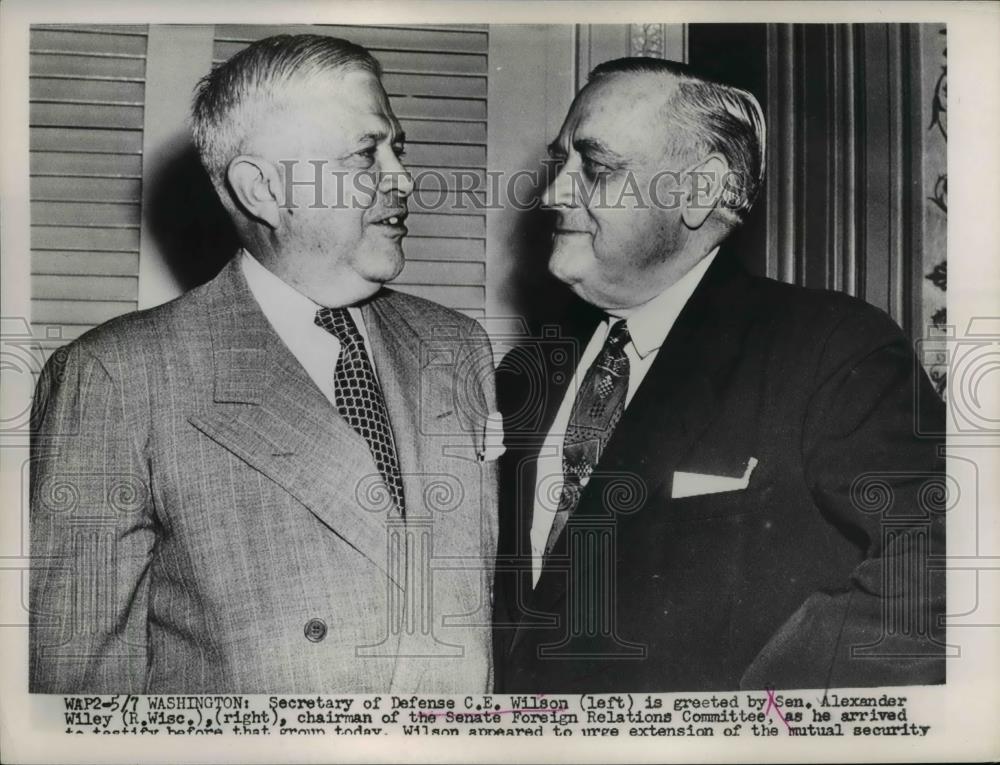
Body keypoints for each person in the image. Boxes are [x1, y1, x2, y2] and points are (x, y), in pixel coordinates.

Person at [30, 34, 498, 694]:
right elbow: (79, 691)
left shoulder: (457, 346)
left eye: (399, 147)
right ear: (264, 189)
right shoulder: (116, 375)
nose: (403, 179)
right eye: (367, 154)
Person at [493, 57, 946, 692]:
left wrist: (754, 724)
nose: (552, 194)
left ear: (699, 191)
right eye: (559, 163)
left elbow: (944, 566)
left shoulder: (832, 349)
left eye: (595, 168)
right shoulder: (528, 373)